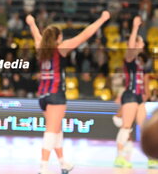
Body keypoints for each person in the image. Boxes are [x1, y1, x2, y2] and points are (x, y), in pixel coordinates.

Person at [26, 10, 110, 174]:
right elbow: (85, 35)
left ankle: (63, 163)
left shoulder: (40, 47)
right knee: (51, 131)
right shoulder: (61, 48)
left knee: (56, 130)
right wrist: (102, 20)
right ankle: (43, 167)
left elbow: (35, 33)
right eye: (61, 36)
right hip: (56, 94)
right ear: (58, 38)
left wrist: (31, 22)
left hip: (43, 95)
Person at [114, 16, 156, 168]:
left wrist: (145, 93)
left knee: (143, 125)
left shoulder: (139, 61)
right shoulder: (130, 57)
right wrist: (135, 28)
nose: (143, 43)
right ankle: (119, 157)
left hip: (138, 96)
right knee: (126, 127)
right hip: (130, 95)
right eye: (141, 41)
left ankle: (151, 158)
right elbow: (130, 45)